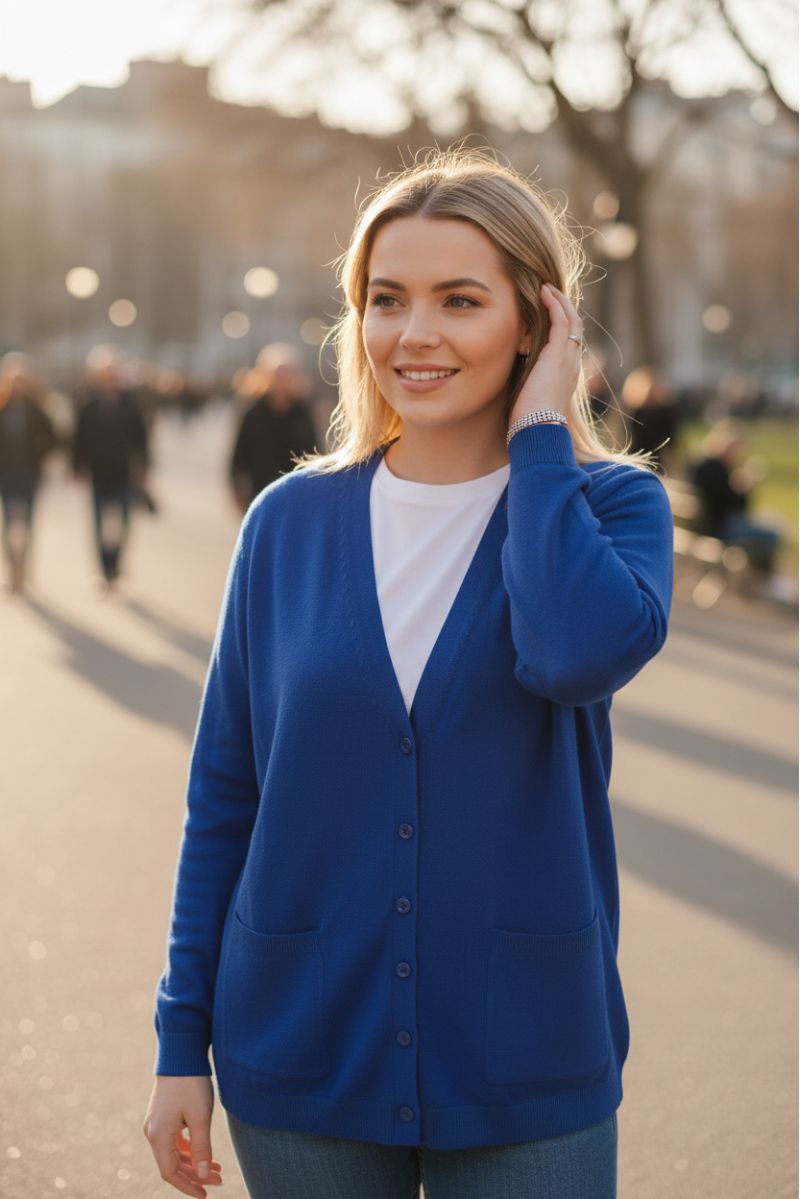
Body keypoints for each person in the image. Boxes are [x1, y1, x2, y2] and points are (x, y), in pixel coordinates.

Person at [144, 148, 674, 1199]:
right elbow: (225, 799)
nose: (413, 333)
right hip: (298, 1045)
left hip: (524, 1050)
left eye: (459, 300)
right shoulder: (288, 525)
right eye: (385, 300)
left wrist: (537, 438)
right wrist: (178, 1042)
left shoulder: (609, 509)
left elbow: (569, 652)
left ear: (535, 322)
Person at [72, 345, 150, 590]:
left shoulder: (130, 403)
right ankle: (104, 570)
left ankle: (116, 564)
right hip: (98, 472)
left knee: (124, 522)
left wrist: (145, 467)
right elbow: (79, 438)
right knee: (98, 524)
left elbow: (142, 437)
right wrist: (76, 467)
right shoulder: (88, 404)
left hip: (124, 472)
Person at [229, 345, 318, 512]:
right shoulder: (253, 412)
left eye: (287, 375)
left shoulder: (302, 413)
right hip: (259, 491)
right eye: (278, 375)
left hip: (295, 493)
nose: (282, 381)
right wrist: (236, 487)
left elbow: (314, 453)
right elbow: (238, 455)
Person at [691, 417, 782, 578]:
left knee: (769, 523)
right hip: (718, 528)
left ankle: (758, 580)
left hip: (704, 525)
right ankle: (762, 581)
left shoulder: (703, 464)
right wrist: (745, 486)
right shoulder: (716, 469)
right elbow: (737, 507)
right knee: (772, 534)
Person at [0, 352, 56, 594]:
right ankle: (12, 568)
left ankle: (24, 568)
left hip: (30, 473)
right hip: (6, 474)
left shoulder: (37, 409)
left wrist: (39, 451)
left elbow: (53, 438)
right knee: (10, 522)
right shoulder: (2, 408)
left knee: (28, 522)